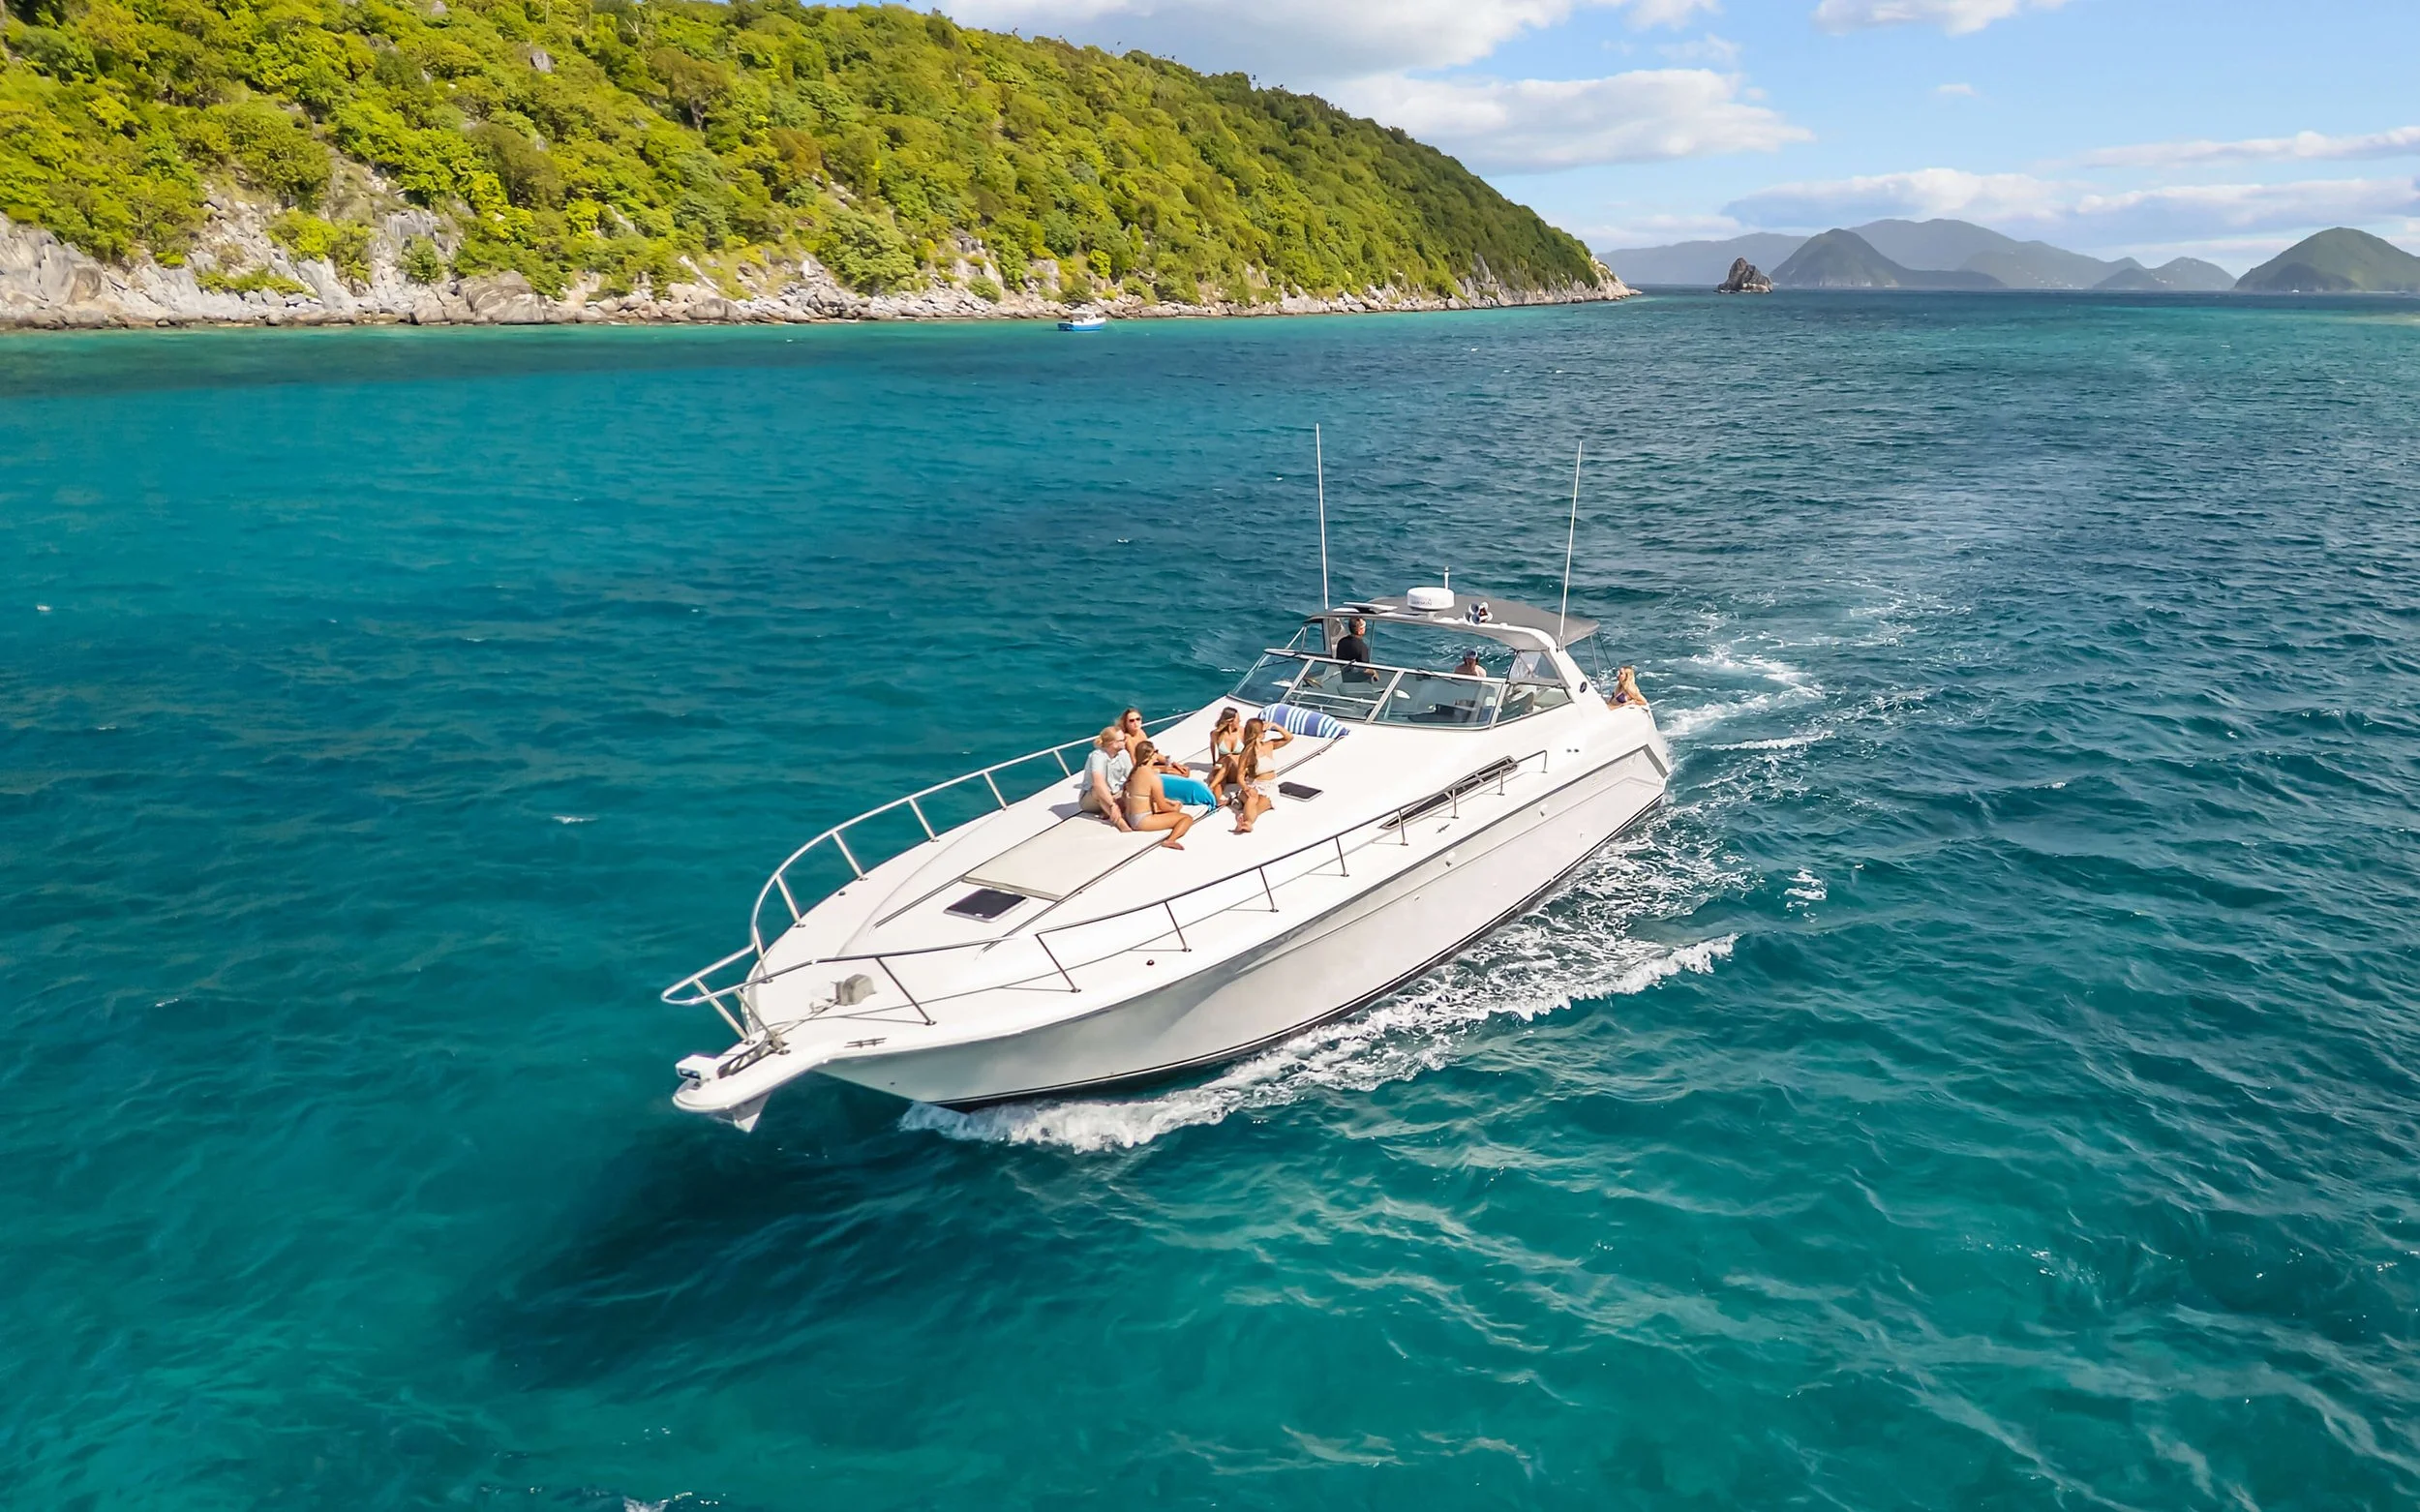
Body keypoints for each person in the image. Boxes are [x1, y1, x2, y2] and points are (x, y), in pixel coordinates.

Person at [1121, 741, 1195, 849]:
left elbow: (1141, 795)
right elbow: (1162, 806)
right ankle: (1170, 840)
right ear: (1151, 756)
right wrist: (1175, 809)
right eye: (1156, 751)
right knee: (1186, 818)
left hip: (1129, 816)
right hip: (1141, 821)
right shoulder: (1153, 777)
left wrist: (1169, 801)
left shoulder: (1134, 771)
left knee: (1167, 807)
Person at [1232, 716, 1291, 832]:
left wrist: (1275, 725)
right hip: (1253, 786)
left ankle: (1245, 820)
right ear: (1259, 733)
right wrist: (1247, 788)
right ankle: (1247, 823)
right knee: (1252, 799)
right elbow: (1240, 776)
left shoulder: (1269, 745)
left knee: (1260, 805)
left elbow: (1289, 737)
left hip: (1269, 788)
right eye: (1264, 731)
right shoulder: (1248, 753)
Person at [1078, 725, 1134, 830]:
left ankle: (1108, 811)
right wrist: (1113, 805)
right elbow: (1098, 783)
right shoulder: (1098, 756)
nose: (1125, 741)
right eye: (1122, 740)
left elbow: (1132, 777)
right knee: (1098, 790)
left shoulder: (1123, 754)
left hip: (1113, 793)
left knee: (1133, 787)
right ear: (1113, 743)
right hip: (1091, 800)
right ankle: (1121, 823)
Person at [1206, 707, 1246, 798]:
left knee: (1229, 759)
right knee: (1218, 781)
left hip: (1236, 767)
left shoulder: (1242, 731)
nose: (1240, 722)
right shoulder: (1216, 734)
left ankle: (1211, 789)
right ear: (1230, 721)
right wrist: (1214, 762)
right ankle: (1215, 800)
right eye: (1238, 720)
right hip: (1222, 766)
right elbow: (1212, 746)